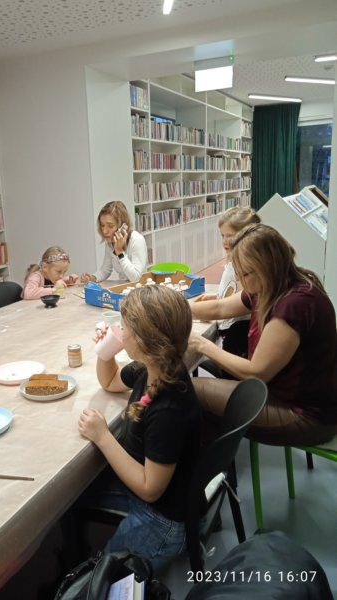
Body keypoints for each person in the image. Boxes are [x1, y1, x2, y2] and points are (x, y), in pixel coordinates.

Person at [77, 286, 201, 571]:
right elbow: (110, 382)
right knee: (74, 497)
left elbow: (149, 489)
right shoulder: (154, 370)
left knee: (104, 577)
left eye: (125, 328)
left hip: (162, 521)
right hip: (147, 496)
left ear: (146, 341)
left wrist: (103, 436)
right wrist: (106, 352)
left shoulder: (168, 406)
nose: (120, 331)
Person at [189, 223, 337, 447]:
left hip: (306, 416)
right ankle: (213, 458)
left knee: (188, 390)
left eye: (244, 274)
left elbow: (256, 373)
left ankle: (206, 463)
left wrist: (202, 345)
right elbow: (220, 308)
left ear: (263, 268)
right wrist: (179, 308)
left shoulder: (295, 304)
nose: (240, 280)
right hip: (283, 395)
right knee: (195, 392)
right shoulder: (275, 285)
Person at [195, 206, 261, 378]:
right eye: (222, 236)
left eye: (230, 236)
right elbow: (235, 296)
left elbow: (235, 304)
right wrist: (218, 297)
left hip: (238, 332)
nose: (225, 241)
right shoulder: (232, 260)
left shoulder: (247, 268)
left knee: (230, 375)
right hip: (230, 331)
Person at [80, 201, 147, 283]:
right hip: (123, 286)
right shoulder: (110, 241)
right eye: (102, 225)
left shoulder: (137, 240)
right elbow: (106, 269)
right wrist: (92, 278)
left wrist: (119, 252)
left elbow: (136, 278)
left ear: (123, 227)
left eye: (110, 226)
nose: (104, 231)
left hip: (140, 287)